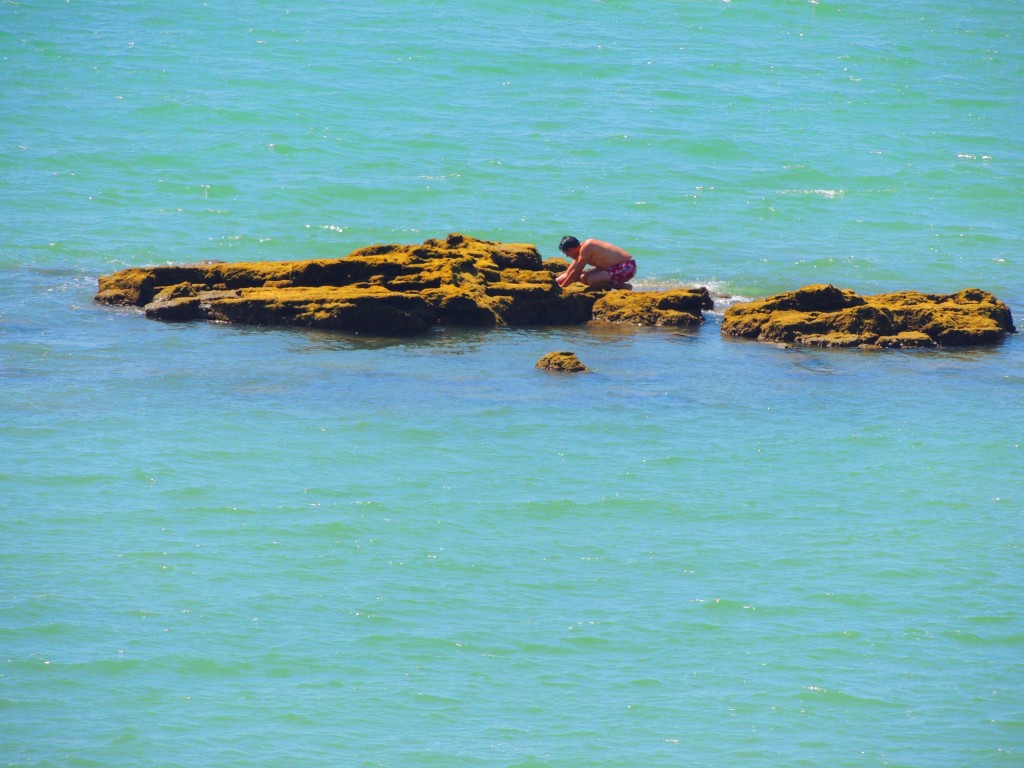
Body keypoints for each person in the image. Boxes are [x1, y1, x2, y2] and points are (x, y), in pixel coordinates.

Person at [554, 236, 636, 289]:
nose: (567, 256)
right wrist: (553, 283)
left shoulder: (587, 247)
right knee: (583, 278)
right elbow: (568, 273)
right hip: (610, 268)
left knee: (591, 280)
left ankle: (623, 286)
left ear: (571, 249)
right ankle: (617, 284)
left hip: (627, 266)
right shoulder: (580, 252)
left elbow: (576, 272)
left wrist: (562, 287)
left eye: (567, 254)